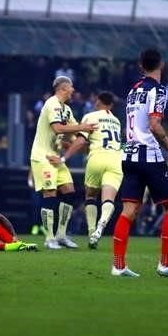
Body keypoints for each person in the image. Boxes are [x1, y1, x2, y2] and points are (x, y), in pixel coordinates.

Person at [111, 48, 168, 278]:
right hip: (150, 156)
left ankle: (118, 265)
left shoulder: (132, 91)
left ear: (140, 65)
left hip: (130, 154)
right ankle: (165, 264)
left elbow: (132, 125)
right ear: (161, 64)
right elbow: (155, 125)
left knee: (129, 210)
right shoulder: (159, 90)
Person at [29, 76, 96, 250]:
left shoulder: (66, 110)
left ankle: (61, 235)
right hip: (42, 156)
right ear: (63, 88)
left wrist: (92, 144)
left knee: (69, 191)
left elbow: (76, 134)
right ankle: (49, 238)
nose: (74, 90)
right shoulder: (51, 103)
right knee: (50, 193)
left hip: (56, 157)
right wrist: (82, 128)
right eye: (71, 87)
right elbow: (58, 128)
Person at [51, 91, 122, 249]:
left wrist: (64, 157)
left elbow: (82, 142)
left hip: (96, 158)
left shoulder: (90, 116)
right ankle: (100, 229)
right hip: (115, 160)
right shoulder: (116, 121)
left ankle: (91, 232)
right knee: (108, 199)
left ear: (97, 102)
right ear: (111, 105)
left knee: (90, 196)